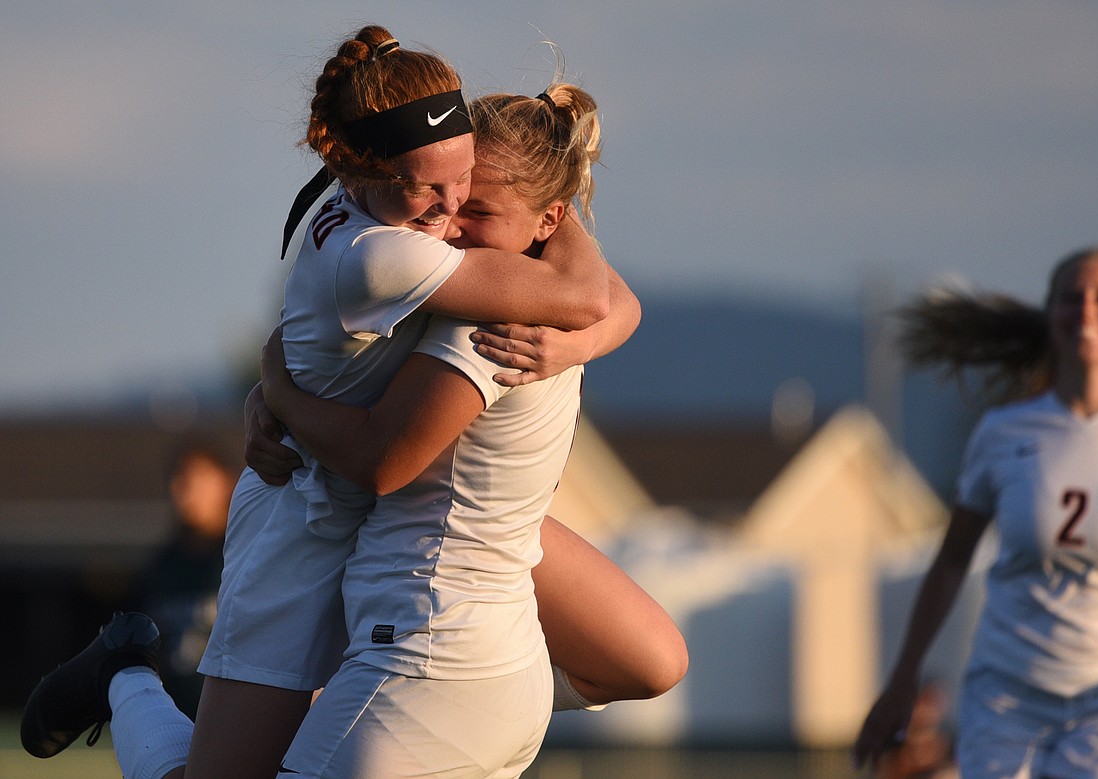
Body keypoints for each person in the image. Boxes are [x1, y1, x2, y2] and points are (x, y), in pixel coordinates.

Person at [22, 25, 683, 779]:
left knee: (648, 656)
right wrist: (277, 390)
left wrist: (580, 336)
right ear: (368, 173)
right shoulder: (406, 258)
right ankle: (127, 672)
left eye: (469, 192)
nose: (451, 216)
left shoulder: (440, 251)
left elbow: (599, 300)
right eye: (434, 188)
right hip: (300, 512)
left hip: (410, 582)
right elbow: (579, 300)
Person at [853, 246, 1098, 778]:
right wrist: (903, 677)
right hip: (1008, 694)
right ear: (1050, 318)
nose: (1087, 311)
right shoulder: (1004, 433)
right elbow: (951, 561)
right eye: (1072, 299)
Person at [135, 438, 237, 718]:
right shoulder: (163, 564)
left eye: (198, 478)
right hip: (174, 713)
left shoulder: (245, 556)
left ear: (226, 482)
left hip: (234, 715)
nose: (184, 489)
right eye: (179, 478)